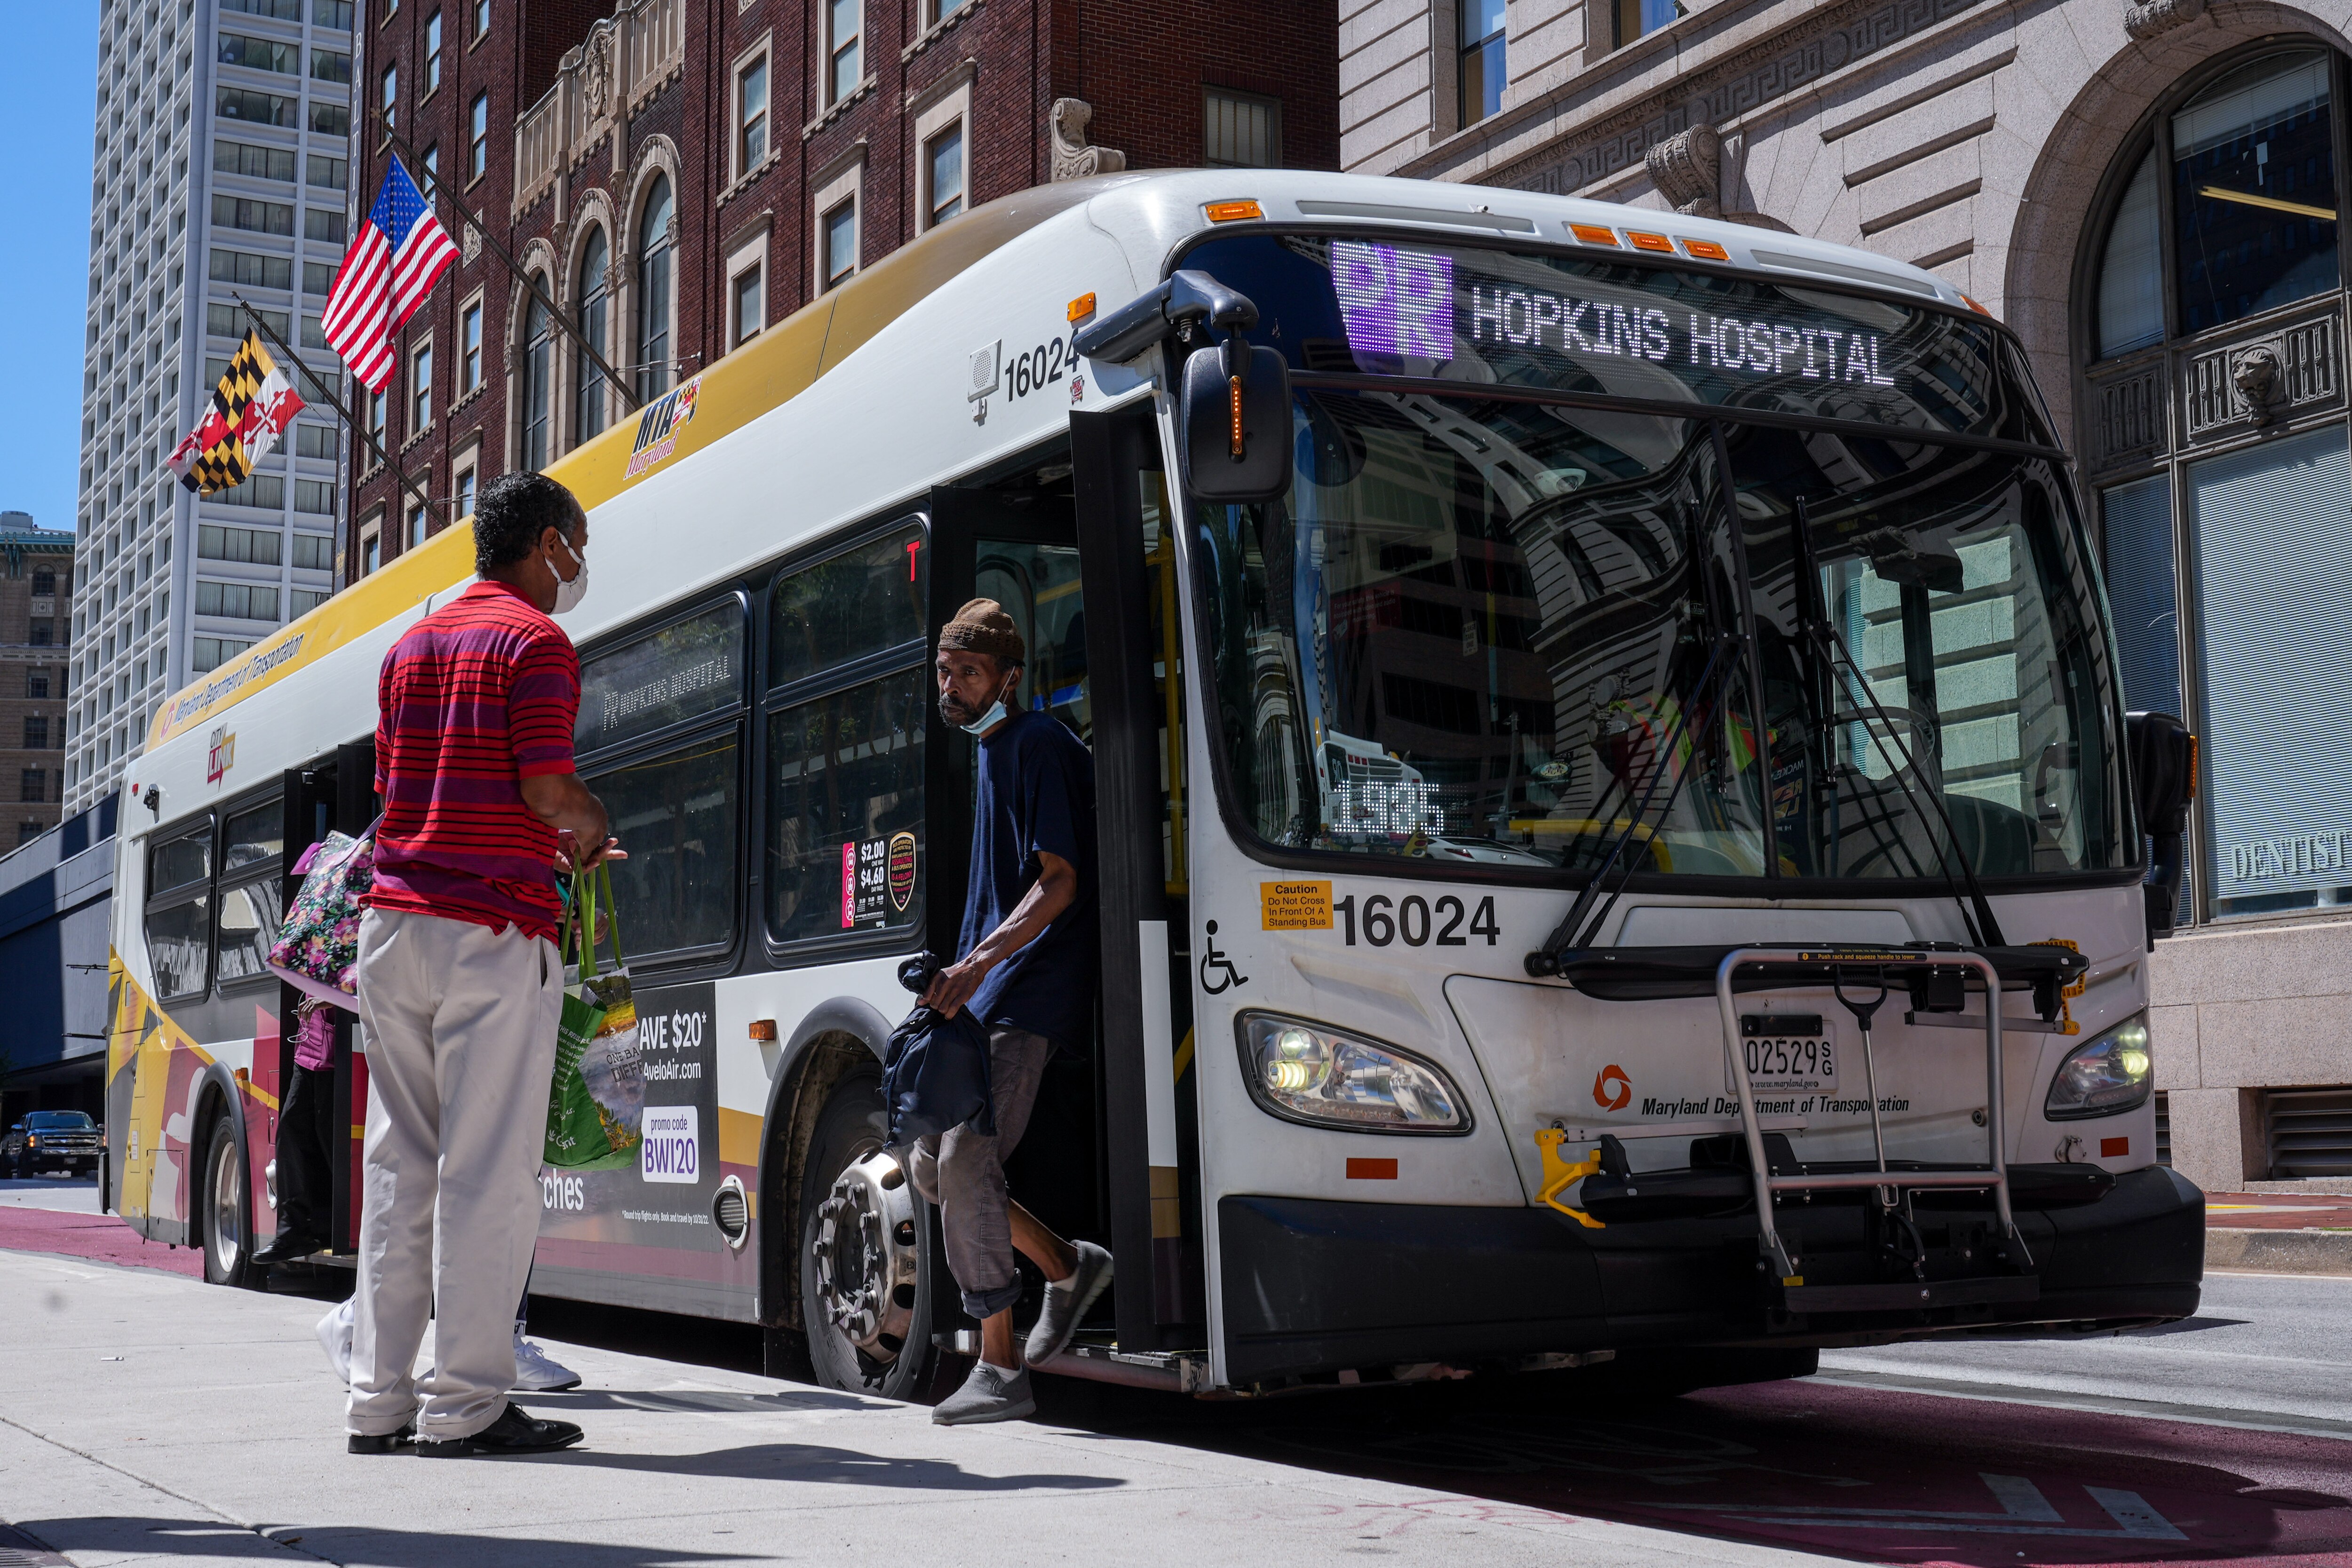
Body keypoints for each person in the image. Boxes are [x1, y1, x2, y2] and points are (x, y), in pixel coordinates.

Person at [345, 471, 613, 1458]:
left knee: (399, 1167)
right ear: (547, 542)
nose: (579, 568)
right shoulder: (535, 641)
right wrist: (591, 822)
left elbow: (402, 795)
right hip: (490, 930)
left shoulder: (407, 644)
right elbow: (546, 785)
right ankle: (465, 1404)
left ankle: (377, 1401)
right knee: (489, 1173)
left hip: (394, 925)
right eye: (577, 547)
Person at [915, 598, 1114, 1427]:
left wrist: (979, 962)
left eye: (967, 672)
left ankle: (1001, 1366)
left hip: (1028, 994)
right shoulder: (994, 752)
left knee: (961, 1160)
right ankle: (1068, 1265)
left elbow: (1060, 880)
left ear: (1010, 677)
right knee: (932, 1167)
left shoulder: (1038, 745)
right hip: (987, 996)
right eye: (944, 672)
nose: (952, 687)